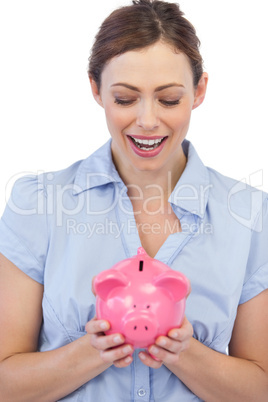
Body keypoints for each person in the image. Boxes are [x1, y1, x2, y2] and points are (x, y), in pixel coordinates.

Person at [0, 0, 267, 400]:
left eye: (169, 99)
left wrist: (183, 353)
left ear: (199, 91)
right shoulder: (38, 204)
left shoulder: (248, 214)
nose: (146, 120)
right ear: (96, 89)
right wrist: (92, 352)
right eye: (125, 98)